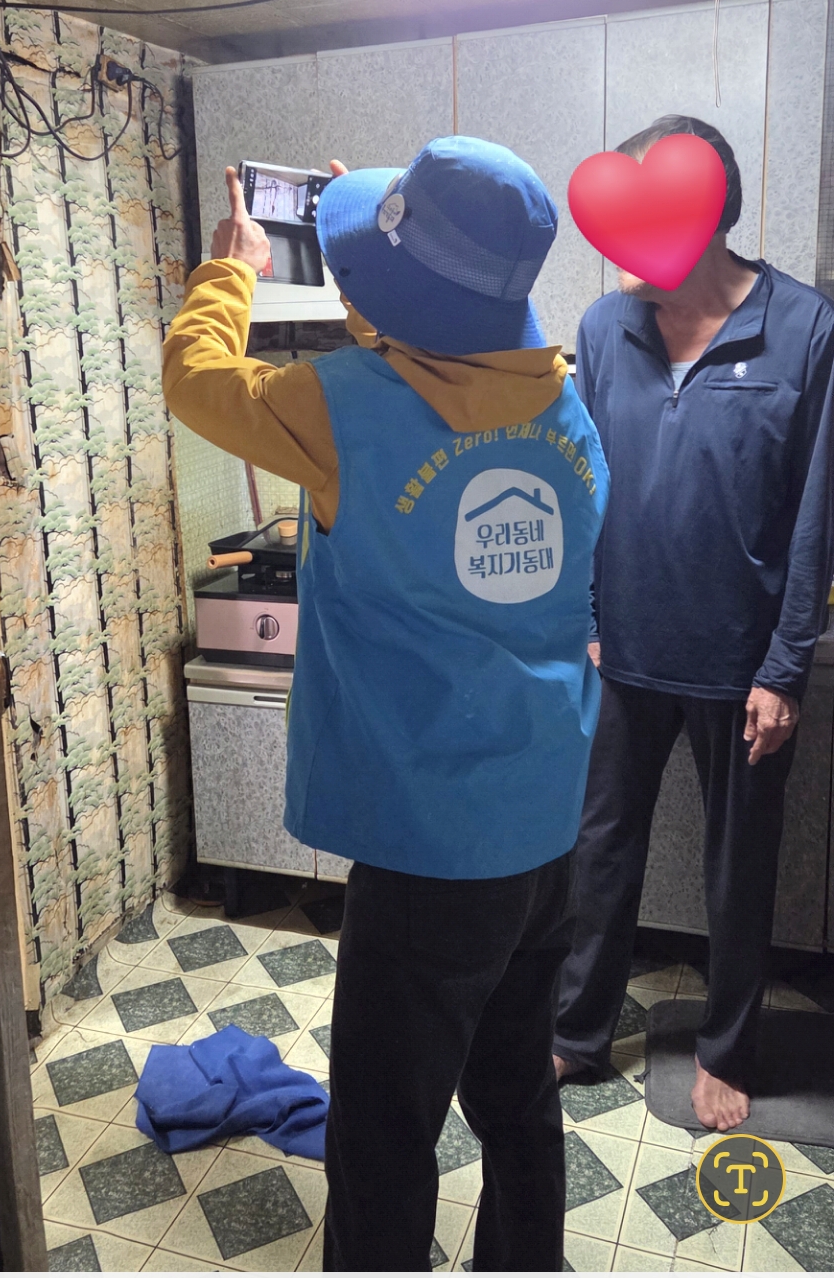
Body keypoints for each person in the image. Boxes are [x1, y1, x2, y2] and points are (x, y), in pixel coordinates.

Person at [163, 137, 609, 1272]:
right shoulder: (563, 401)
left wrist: (233, 268)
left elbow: (194, 377)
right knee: (515, 1088)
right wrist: (401, 273)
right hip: (542, 819)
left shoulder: (338, 406)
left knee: (381, 1131)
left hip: (427, 844)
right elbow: (431, 377)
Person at [553, 113, 834, 1133]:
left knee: (737, 868)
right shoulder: (603, 328)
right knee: (599, 851)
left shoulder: (805, 328)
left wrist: (784, 666)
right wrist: (586, 615)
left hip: (740, 663)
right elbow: (582, 482)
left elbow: (816, 513)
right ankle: (577, 1031)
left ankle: (726, 1050)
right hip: (622, 651)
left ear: (707, 216)